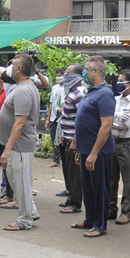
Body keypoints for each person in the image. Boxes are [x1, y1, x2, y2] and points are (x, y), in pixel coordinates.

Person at [71, 55, 116, 238]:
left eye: (86, 69)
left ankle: (100, 225)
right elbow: (82, 120)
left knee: (100, 189)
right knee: (88, 188)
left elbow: (106, 126)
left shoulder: (105, 94)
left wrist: (94, 153)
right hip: (85, 149)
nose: (84, 71)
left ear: (96, 71)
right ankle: (90, 219)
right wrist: (77, 144)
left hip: (99, 152)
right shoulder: (91, 92)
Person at [0, 54, 40, 230]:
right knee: (16, 180)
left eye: (13, 64)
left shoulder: (24, 90)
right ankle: (31, 210)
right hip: (16, 145)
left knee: (21, 183)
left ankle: (25, 220)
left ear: (19, 69)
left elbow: (20, 122)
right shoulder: (21, 87)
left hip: (20, 146)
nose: (10, 67)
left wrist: (7, 149)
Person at [108, 70, 130, 225]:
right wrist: (115, 120)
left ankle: (126, 212)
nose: (118, 83)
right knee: (111, 177)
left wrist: (111, 120)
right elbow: (105, 118)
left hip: (129, 143)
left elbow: (126, 124)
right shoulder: (115, 99)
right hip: (112, 141)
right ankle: (110, 208)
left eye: (121, 80)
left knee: (128, 179)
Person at [58, 64, 87, 214]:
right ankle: (71, 199)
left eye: (67, 73)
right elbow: (68, 116)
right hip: (67, 136)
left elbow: (80, 119)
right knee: (69, 171)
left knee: (75, 173)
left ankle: (76, 203)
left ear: (76, 76)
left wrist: (76, 139)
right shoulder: (71, 91)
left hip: (74, 138)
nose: (64, 75)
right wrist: (64, 133)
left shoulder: (80, 93)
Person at [46, 68, 65, 168]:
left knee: (62, 139)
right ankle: (56, 159)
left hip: (63, 118)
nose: (58, 77)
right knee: (54, 139)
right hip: (54, 118)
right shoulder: (55, 88)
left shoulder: (66, 88)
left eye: (60, 75)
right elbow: (51, 103)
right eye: (57, 75)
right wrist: (48, 117)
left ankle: (62, 157)